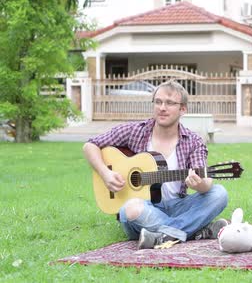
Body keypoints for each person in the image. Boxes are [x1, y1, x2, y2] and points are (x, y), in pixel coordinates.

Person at [83, 80, 228, 249]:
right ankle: (195, 231)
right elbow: (90, 146)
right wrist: (105, 173)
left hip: (178, 205)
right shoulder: (135, 131)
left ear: (183, 109)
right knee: (130, 209)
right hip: (145, 208)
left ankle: (163, 235)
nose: (162, 108)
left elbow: (205, 185)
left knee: (219, 193)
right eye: (158, 102)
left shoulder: (193, 141)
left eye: (169, 103)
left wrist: (200, 183)